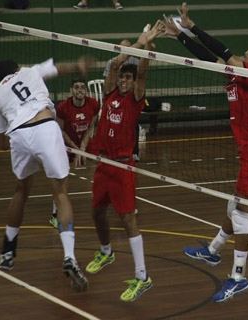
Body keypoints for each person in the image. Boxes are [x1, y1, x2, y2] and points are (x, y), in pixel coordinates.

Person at [164, 3, 248, 303]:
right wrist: (179, 36)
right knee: (237, 207)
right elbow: (210, 57)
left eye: (243, 56)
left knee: (243, 212)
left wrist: (191, 27)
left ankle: (239, 277)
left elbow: (222, 50)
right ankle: (213, 251)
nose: (236, 59)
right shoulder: (235, 76)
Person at [0, 56, 94, 291]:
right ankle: (69, 256)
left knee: (21, 190)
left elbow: (0, 143)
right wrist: (78, 65)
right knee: (60, 193)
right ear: (16, 68)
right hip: (45, 127)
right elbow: (60, 68)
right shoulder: (29, 70)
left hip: (18, 134)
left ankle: (8, 249)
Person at [84, 21, 163, 302]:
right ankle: (106, 252)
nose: (123, 81)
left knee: (127, 219)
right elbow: (116, 65)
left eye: (127, 79)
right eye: (122, 78)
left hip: (123, 164)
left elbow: (142, 71)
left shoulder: (135, 99)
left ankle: (143, 276)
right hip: (104, 164)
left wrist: (145, 46)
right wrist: (137, 42)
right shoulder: (109, 94)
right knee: (95, 212)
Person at [49, 78, 100, 228]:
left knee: (103, 164)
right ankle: (55, 213)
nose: (80, 90)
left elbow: (91, 127)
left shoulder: (93, 104)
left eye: (82, 87)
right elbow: (61, 130)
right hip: (66, 144)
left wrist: (83, 148)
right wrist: (76, 150)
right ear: (71, 90)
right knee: (62, 177)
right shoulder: (63, 107)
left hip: (84, 141)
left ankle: (103, 199)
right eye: (76, 87)